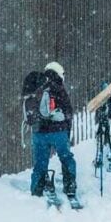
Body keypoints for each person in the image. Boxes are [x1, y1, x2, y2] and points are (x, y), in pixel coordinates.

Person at [30, 61, 78, 199]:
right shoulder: (58, 86)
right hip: (59, 131)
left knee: (40, 162)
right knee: (66, 157)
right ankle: (70, 186)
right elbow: (68, 110)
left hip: (39, 132)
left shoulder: (36, 86)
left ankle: (36, 189)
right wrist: (66, 130)